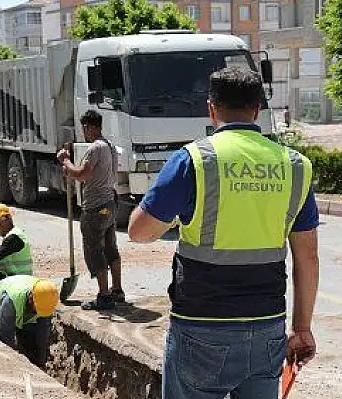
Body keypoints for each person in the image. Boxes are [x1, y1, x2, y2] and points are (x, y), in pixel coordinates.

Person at [127, 66, 320, 399]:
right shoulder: (296, 166)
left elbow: (139, 232)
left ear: (211, 108)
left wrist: (175, 219)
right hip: (267, 328)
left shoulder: (194, 161)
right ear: (258, 108)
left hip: (202, 327)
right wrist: (301, 329)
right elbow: (309, 258)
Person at [56, 109, 123, 311]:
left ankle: (104, 296)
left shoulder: (95, 149)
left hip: (95, 207)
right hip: (110, 205)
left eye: (84, 128)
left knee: (94, 250)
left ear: (89, 127)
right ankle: (117, 290)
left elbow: (82, 174)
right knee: (110, 247)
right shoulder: (110, 146)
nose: (84, 132)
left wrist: (65, 160)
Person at [0, 275, 59, 367]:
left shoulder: (45, 301)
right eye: (37, 310)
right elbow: (6, 333)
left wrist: (41, 361)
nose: (38, 314)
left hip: (21, 311)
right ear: (31, 299)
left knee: (29, 343)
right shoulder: (11, 300)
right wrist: (15, 362)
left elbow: (43, 332)